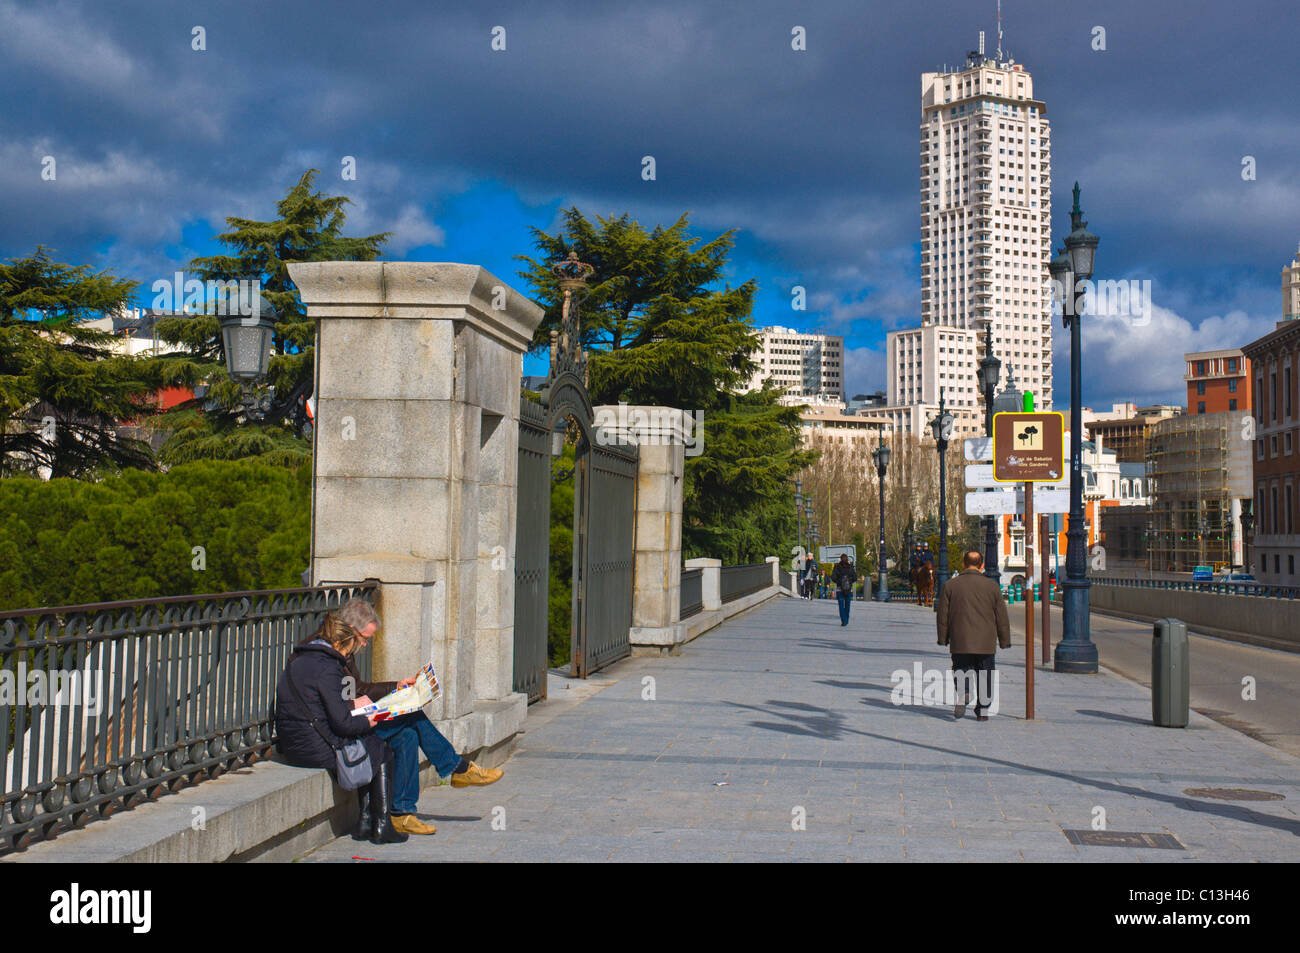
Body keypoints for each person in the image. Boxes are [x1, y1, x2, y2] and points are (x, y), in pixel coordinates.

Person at [331, 599, 503, 837]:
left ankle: (402, 814)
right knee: (412, 716)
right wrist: (355, 704)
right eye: (364, 637)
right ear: (350, 628)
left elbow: (357, 689)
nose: (365, 643)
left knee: (407, 735)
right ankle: (456, 768)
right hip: (345, 729)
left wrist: (396, 687)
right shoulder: (332, 655)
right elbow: (336, 702)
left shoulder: (346, 652)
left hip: (355, 718)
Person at [274, 614, 408, 844]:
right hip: (314, 748)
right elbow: (342, 723)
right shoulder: (328, 668)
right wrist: (369, 721)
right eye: (347, 651)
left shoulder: (298, 661)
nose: (347, 657)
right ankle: (382, 825)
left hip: (292, 743)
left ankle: (366, 820)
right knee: (381, 750)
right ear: (338, 644)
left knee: (369, 743)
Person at [936, 550, 1010, 721]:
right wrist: (1004, 640)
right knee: (986, 673)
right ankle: (983, 710)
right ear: (982, 566)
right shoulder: (992, 586)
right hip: (985, 641)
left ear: (963, 564)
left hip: (960, 638)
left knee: (960, 668)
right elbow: (1001, 615)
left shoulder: (950, 585)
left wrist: (943, 637)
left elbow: (943, 615)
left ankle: (965, 692)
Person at [831, 554, 857, 626]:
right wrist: (850, 582)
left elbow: (833, 577)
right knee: (847, 605)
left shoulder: (837, 567)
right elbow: (855, 577)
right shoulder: (850, 567)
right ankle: (847, 619)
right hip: (849, 589)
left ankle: (844, 620)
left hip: (840, 589)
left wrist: (839, 582)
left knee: (841, 605)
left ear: (840, 559)